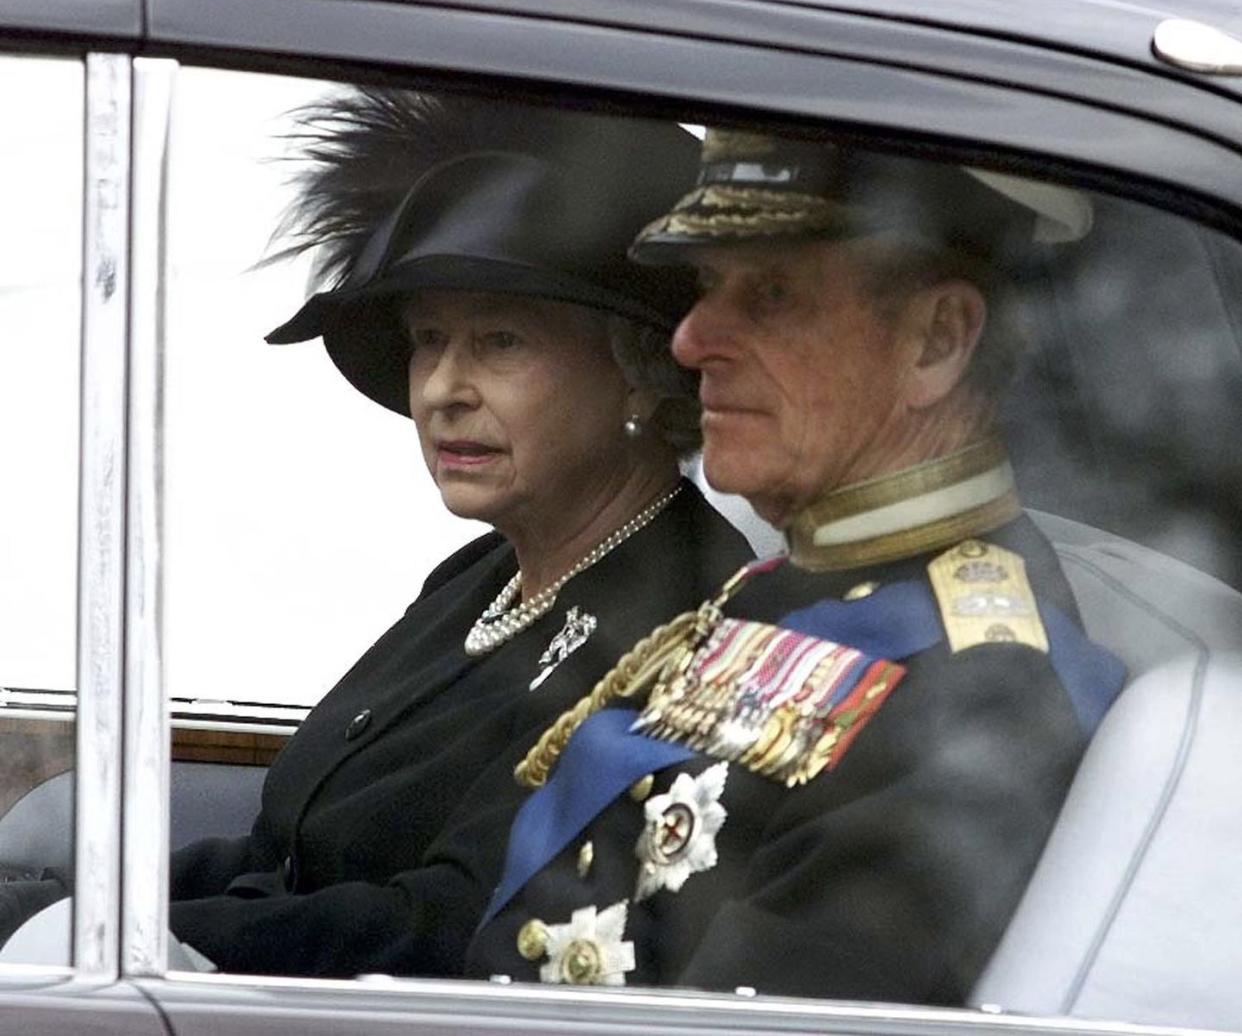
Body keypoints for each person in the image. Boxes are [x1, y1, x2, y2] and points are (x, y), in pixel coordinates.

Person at [1, 93, 752, 976]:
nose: (441, 388)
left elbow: (447, 926)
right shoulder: (480, 578)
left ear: (641, 372)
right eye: (429, 340)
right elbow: (276, 857)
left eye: (500, 342)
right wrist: (51, 904)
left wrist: (124, 945)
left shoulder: (692, 622)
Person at [463, 129, 1127, 1003]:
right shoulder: (790, 584)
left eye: (772, 293)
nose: (692, 340)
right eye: (706, 286)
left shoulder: (983, 697)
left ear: (937, 341)